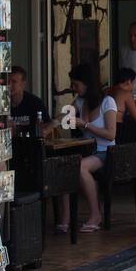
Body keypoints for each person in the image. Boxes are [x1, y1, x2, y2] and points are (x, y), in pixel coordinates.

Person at [56, 63, 117, 235]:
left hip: (105, 153)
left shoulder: (108, 101)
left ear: (87, 83)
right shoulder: (80, 101)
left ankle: (96, 215)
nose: (74, 88)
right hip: (86, 151)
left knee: (81, 167)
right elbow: (64, 116)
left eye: (76, 84)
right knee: (63, 167)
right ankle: (66, 218)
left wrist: (86, 125)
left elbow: (111, 134)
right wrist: (51, 124)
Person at [8, 67, 50, 140]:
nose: (9, 85)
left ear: (23, 84)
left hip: (31, 145)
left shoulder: (35, 103)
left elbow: (47, 125)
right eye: (8, 81)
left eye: (14, 82)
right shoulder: (1, 103)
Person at [110, 67, 136, 143]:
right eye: (133, 82)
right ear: (128, 82)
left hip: (104, 128)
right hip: (117, 129)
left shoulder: (108, 90)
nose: (133, 85)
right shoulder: (125, 93)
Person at [121, 21, 136, 100]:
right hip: (124, 96)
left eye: (135, 35)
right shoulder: (124, 51)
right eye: (130, 35)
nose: (132, 39)